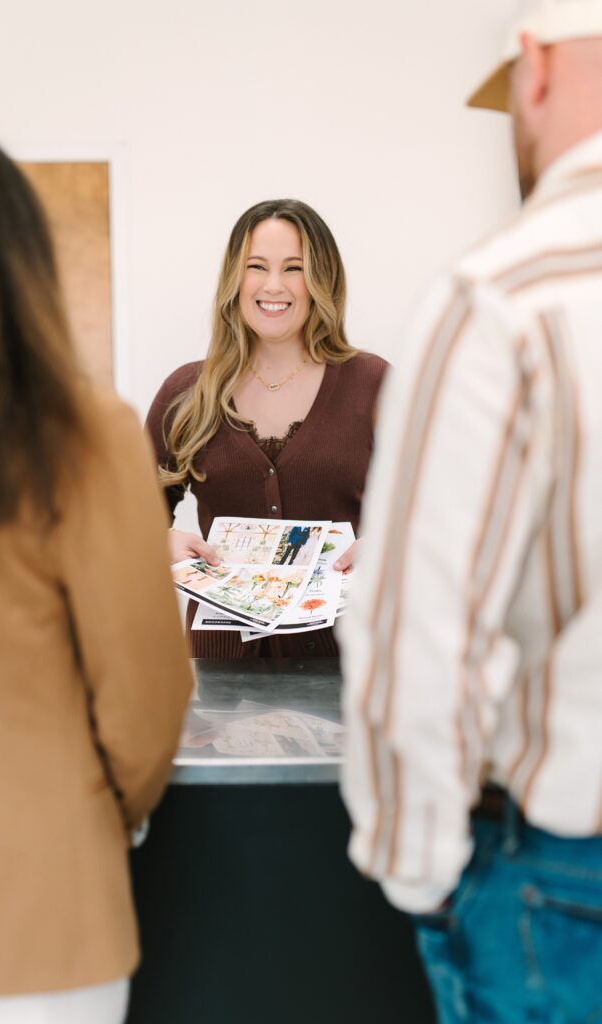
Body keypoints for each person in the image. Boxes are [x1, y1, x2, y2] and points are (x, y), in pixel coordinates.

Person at [340, 2, 602, 1020]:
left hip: (564, 884)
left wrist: (421, 870)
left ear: (531, 67)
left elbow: (423, 628)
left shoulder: (504, 299)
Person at [0, 124, 192, 1023]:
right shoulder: (83, 432)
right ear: (22, 255)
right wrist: (105, 812)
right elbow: (145, 699)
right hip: (37, 912)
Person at [146, 198, 388, 658]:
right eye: (257, 266)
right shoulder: (185, 393)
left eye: (294, 268)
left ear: (322, 280)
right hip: (221, 678)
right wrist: (159, 540)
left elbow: (439, 513)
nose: (273, 285)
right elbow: (124, 521)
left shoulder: (374, 386)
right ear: (235, 278)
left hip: (351, 668)